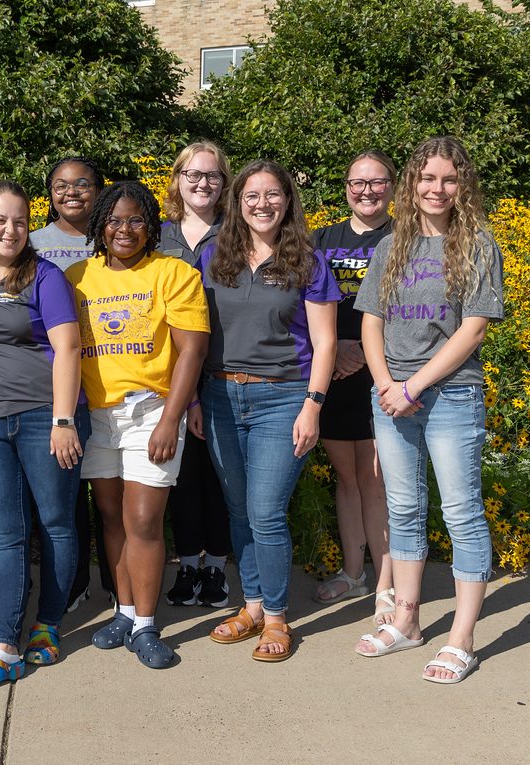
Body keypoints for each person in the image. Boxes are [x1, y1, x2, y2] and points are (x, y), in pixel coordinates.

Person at [353, 137, 503, 685]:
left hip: (450, 396)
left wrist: (412, 385)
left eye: (449, 179)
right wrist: (386, 384)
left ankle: (462, 638)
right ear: (412, 184)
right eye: (427, 178)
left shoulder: (478, 246)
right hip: (392, 394)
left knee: (462, 512)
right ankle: (407, 621)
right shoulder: (392, 246)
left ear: (462, 187)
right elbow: (370, 321)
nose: (437, 189)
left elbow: (474, 328)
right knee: (403, 508)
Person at [198, 160, 338, 662]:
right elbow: (196, 336)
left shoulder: (308, 261)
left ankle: (277, 618)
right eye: (251, 195)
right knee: (239, 510)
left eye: (272, 194)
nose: (262, 204)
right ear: (237, 203)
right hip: (218, 396)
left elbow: (324, 344)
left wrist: (312, 406)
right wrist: (193, 396)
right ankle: (252, 605)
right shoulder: (214, 257)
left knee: (265, 511)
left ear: (287, 200)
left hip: (284, 398)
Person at [67, 181, 209, 669]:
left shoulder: (174, 273)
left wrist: (171, 417)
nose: (123, 229)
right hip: (95, 416)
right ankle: (123, 612)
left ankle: (147, 624)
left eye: (135, 220)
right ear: (99, 225)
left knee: (143, 520)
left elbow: (192, 349)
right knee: (110, 519)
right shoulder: (76, 277)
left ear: (150, 225)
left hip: (150, 411)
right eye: (114, 220)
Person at [0, 181, 87, 693]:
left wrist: (62, 421)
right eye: (0, 220)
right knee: (5, 534)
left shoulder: (45, 277)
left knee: (55, 524)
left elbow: (68, 349)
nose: (10, 230)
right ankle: (5, 647)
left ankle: (48, 626)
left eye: (19, 221)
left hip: (43, 418)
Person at [311, 151, 396, 622]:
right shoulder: (321, 239)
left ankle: (385, 583)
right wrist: (336, 351)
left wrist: (362, 350)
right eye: (357, 183)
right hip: (332, 376)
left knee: (378, 481)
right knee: (348, 479)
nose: (367, 191)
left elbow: (413, 307)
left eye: (377, 182)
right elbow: (300, 303)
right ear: (345, 187)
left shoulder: (405, 238)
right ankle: (353, 573)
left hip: (386, 374)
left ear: (391, 187)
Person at [29, 156, 113, 610]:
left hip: (111, 382)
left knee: (111, 494)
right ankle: (75, 583)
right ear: (50, 194)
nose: (73, 192)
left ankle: (122, 589)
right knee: (67, 499)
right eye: (61, 185)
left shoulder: (116, 236)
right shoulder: (35, 243)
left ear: (98, 190)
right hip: (55, 386)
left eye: (83, 184)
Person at [159, 140, 234, 609]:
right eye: (193, 174)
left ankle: (218, 568)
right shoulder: (158, 236)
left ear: (224, 183)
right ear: (178, 181)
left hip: (225, 369)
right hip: (170, 374)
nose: (202, 183)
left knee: (221, 476)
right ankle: (187, 564)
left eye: (211, 175)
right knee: (182, 477)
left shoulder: (238, 233)